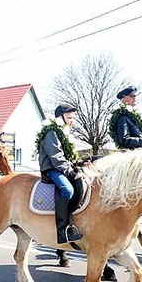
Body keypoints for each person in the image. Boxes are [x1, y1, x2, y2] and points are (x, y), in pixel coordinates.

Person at [37, 103, 84, 244]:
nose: (72, 121)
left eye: (72, 118)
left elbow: (68, 156)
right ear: (61, 117)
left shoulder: (62, 133)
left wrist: (80, 164)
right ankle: (62, 231)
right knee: (67, 190)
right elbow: (57, 158)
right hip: (51, 168)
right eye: (69, 118)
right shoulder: (51, 132)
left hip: (60, 167)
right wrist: (71, 172)